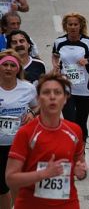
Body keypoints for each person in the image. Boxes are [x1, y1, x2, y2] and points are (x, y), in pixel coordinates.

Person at [6, 73, 87, 209]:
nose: (52, 97)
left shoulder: (74, 131)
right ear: (38, 98)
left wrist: (81, 172)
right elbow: (11, 179)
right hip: (31, 204)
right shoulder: (26, 133)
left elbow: (81, 166)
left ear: (65, 98)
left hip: (68, 204)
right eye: (46, 92)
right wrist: (43, 174)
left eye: (57, 92)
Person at [52, 12, 89, 143]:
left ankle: (81, 152)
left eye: (76, 24)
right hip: (66, 90)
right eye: (70, 24)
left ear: (80, 26)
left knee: (81, 122)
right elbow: (55, 55)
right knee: (69, 122)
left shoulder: (88, 42)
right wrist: (56, 66)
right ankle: (70, 151)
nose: (73, 27)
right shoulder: (59, 42)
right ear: (65, 26)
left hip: (84, 90)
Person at [0, 49, 38, 209]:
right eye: (5, 65)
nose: (8, 68)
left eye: (12, 65)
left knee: (17, 183)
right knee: (1, 188)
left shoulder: (27, 88)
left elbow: (37, 108)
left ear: (18, 68)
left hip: (19, 145)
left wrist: (31, 112)